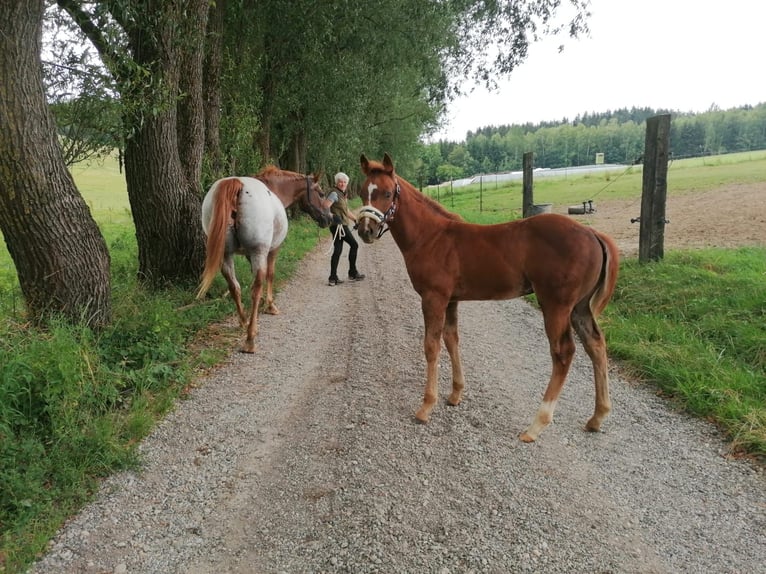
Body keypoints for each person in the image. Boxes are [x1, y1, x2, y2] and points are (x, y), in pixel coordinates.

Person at [327, 172, 365, 285]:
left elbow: (346, 211)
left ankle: (333, 277)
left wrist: (355, 220)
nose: (342, 184)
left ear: (347, 183)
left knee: (338, 250)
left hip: (341, 225)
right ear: (336, 182)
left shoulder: (343, 194)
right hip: (338, 226)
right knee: (354, 245)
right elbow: (324, 208)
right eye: (340, 182)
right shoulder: (334, 194)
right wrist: (333, 217)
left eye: (344, 182)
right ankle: (352, 273)